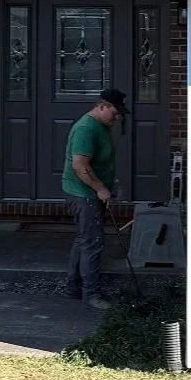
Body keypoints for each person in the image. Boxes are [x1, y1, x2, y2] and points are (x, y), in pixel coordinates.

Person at [63, 86, 126, 307]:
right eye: (115, 113)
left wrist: (110, 183)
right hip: (84, 193)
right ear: (101, 106)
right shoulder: (86, 129)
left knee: (83, 239)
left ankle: (73, 287)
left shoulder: (101, 125)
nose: (117, 118)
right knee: (93, 243)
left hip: (89, 191)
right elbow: (80, 166)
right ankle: (92, 294)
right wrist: (100, 188)